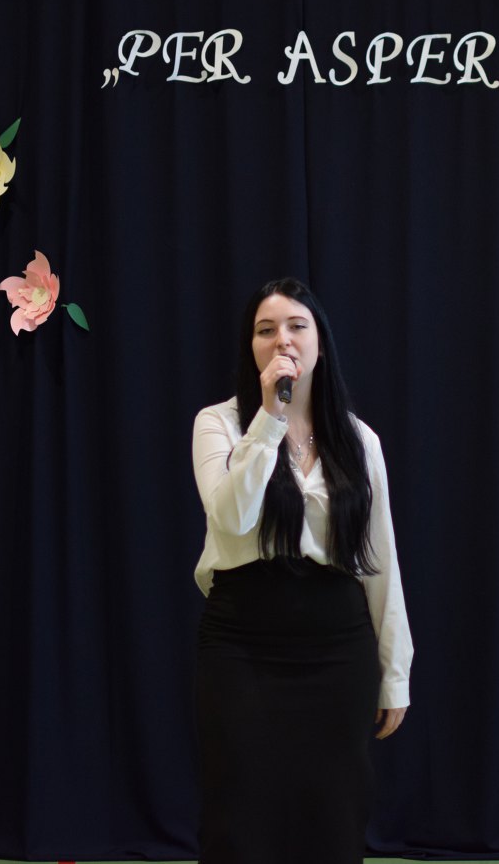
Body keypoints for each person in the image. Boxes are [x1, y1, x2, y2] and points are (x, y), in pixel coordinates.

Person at [191, 277, 412, 864]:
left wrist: (395, 673)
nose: (282, 340)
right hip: (243, 640)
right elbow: (232, 519)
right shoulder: (219, 424)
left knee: (332, 817)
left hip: (337, 644)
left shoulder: (358, 440)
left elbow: (381, 561)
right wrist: (270, 417)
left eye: (297, 326)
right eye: (266, 330)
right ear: (251, 348)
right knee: (242, 817)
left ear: (321, 342)